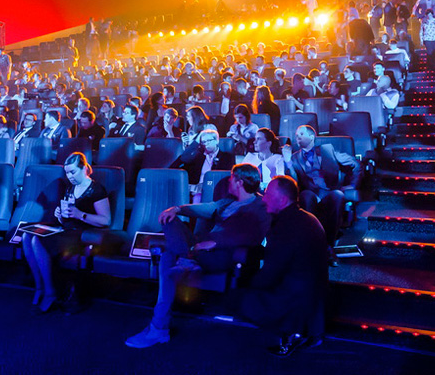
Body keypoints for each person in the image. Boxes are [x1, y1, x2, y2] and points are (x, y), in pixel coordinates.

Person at [125, 163, 269, 348]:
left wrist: (216, 242)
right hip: (199, 248)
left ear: (240, 182)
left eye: (232, 178)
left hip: (223, 254)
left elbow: (254, 236)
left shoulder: (261, 205)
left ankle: (158, 327)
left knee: (168, 259)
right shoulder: (228, 202)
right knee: (169, 221)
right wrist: (177, 208)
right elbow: (207, 207)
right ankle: (187, 260)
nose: (229, 181)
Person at [237, 176, 328, 356]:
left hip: (295, 299)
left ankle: (291, 335)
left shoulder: (285, 226)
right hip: (314, 296)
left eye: (268, 195)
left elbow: (272, 272)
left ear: (283, 200)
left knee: (240, 299)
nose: (263, 199)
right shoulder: (307, 218)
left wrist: (246, 284)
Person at [22, 152, 111, 312]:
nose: (69, 176)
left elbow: (105, 220)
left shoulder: (96, 189)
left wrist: (80, 215)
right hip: (66, 229)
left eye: (73, 172)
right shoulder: (70, 188)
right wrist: (61, 216)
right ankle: (39, 286)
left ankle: (50, 292)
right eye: (67, 172)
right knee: (27, 237)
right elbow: (67, 218)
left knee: (38, 241)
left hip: (82, 233)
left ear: (84, 168)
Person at [283, 125, 361, 255]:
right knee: (306, 196)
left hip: (329, 191)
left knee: (338, 195)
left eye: (301, 134)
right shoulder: (294, 158)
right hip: (309, 192)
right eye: (296, 135)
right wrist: (287, 162)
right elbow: (292, 181)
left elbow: (356, 164)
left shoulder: (328, 150)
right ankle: (309, 244)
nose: (297, 137)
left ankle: (328, 245)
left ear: (312, 137)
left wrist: (352, 185)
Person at [173, 129, 235, 202]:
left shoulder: (226, 157)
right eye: (203, 142)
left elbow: (224, 178)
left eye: (208, 141)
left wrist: (204, 185)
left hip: (214, 192)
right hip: (195, 193)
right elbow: (175, 167)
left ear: (216, 141)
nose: (206, 144)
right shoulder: (197, 157)